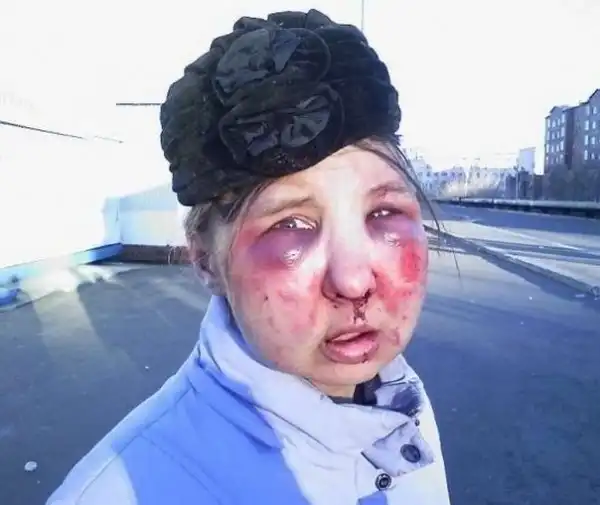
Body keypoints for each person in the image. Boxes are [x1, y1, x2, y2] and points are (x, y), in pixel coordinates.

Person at [48, 9, 450, 505]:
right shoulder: (123, 493)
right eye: (290, 225)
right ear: (205, 260)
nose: (353, 281)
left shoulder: (404, 411)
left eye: (383, 212)